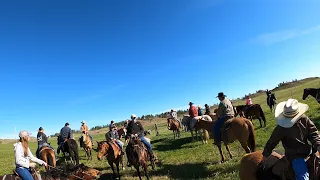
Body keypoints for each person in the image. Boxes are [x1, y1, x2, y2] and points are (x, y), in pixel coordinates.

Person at [262, 98, 320, 180]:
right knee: (303, 178)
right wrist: (265, 153)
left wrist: (318, 145)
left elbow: (313, 134)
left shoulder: (304, 119)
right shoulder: (281, 127)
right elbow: (272, 140)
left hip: (309, 150)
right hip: (295, 156)